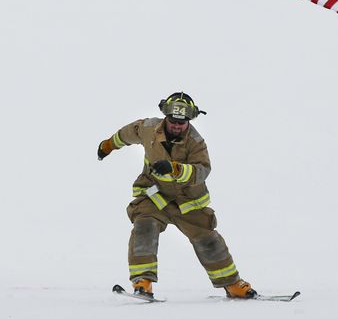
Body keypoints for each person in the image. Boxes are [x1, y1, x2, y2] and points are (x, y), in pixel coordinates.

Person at [97, 92, 256, 299]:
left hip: (187, 203)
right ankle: (142, 283)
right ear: (166, 117)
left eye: (182, 123)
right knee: (144, 226)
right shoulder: (147, 128)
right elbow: (126, 134)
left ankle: (232, 284)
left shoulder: (196, 143)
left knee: (208, 240)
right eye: (173, 121)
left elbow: (202, 171)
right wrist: (108, 145)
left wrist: (175, 169)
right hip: (154, 196)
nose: (177, 126)